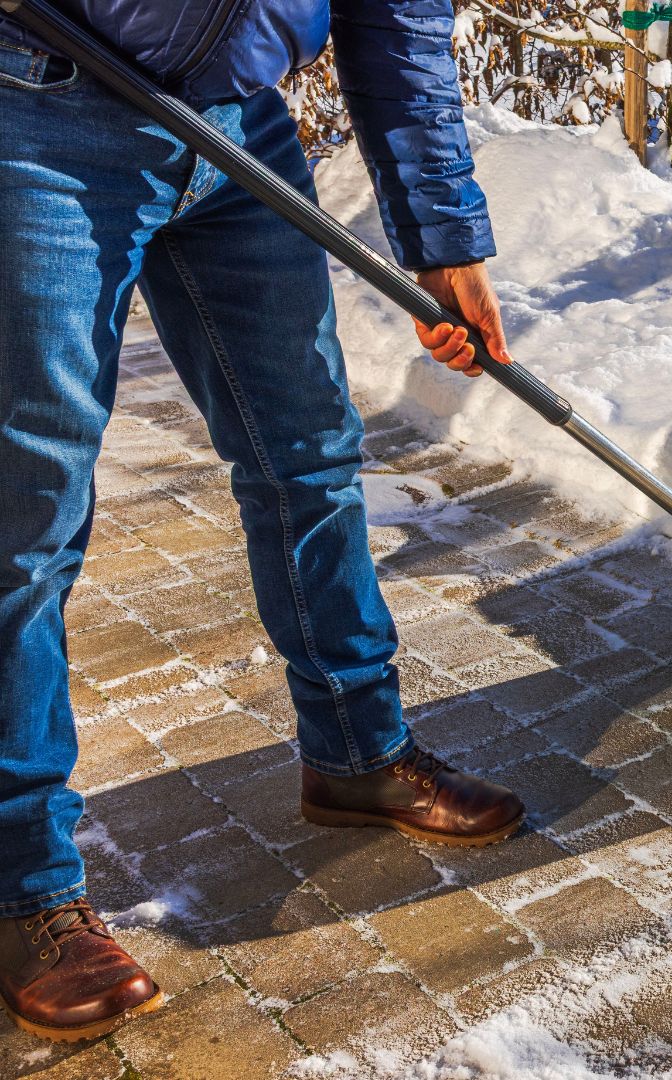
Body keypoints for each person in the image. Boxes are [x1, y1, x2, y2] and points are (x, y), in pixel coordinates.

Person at [0, 0, 525, 1043]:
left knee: (310, 455)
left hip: (239, 127)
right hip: (41, 107)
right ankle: (23, 889)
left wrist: (443, 238)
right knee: (26, 521)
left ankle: (355, 750)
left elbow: (399, 25)